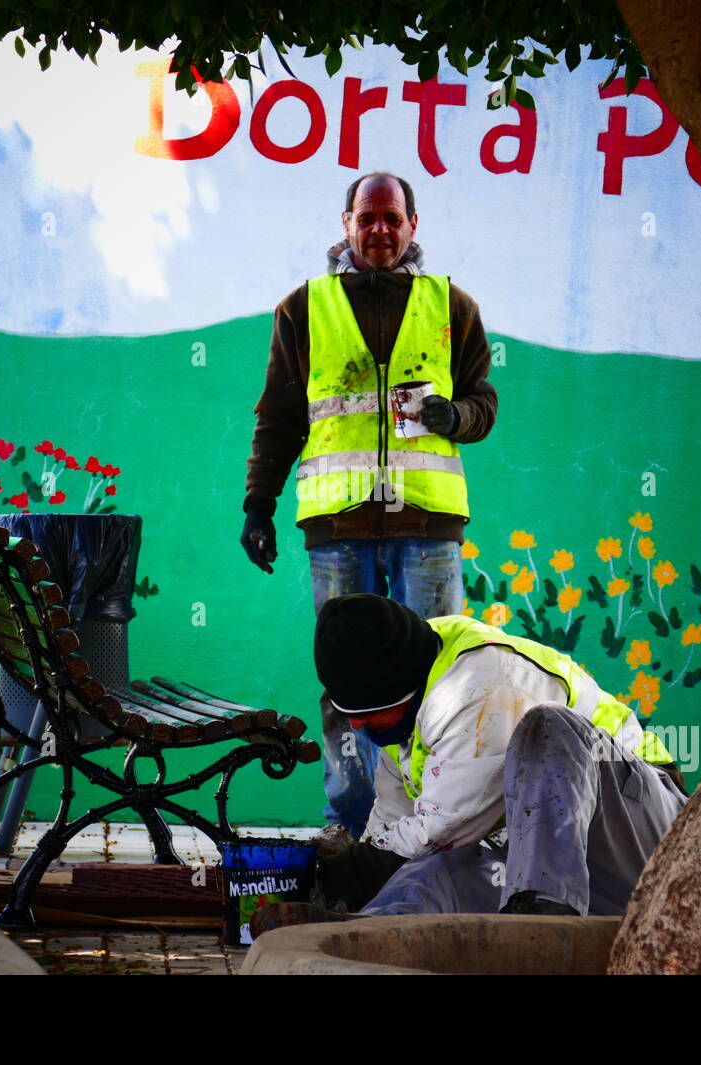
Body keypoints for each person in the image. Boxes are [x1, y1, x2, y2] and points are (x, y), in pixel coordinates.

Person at [239, 172, 498, 842]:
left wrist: (456, 414)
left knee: (441, 674)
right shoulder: (303, 308)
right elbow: (279, 417)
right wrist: (258, 505)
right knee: (346, 682)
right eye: (367, 217)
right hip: (339, 528)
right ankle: (350, 827)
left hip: (428, 524)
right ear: (346, 224)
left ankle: (440, 821)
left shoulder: (452, 306)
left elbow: (484, 402)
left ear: (414, 226)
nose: (379, 230)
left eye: (392, 218)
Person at [302, 593, 690, 920]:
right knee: (424, 878)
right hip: (564, 873)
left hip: (641, 840)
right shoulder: (405, 703)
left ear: (403, 693)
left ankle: (542, 927)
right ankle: (359, 937)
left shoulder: (484, 686)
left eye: (367, 714)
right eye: (350, 716)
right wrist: (334, 889)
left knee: (550, 727)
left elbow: (439, 828)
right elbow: (392, 832)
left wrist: (337, 871)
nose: (356, 727)